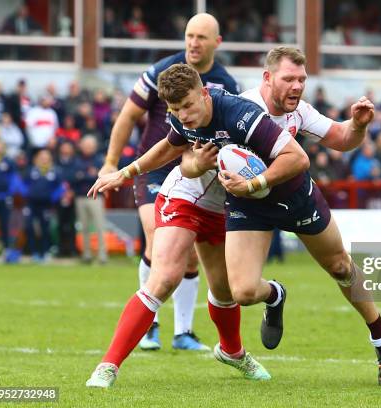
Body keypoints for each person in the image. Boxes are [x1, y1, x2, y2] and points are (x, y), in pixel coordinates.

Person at [84, 62, 305, 387]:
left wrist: (257, 185)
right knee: (165, 278)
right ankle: (108, 366)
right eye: (175, 109)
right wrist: (125, 172)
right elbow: (170, 147)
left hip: (224, 207)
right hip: (183, 198)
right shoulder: (181, 117)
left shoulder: (241, 115)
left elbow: (292, 158)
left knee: (225, 291)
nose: (183, 114)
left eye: (187, 105)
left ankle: (233, 351)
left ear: (204, 93)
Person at [236, 47, 381, 383]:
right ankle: (275, 295)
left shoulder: (300, 112)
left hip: (296, 196)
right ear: (267, 78)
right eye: (288, 79)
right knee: (244, 292)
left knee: (340, 266)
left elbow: (341, 138)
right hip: (250, 202)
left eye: (301, 80)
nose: (297, 86)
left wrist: (358, 125)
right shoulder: (241, 109)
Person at [98, 13, 239, 351]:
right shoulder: (162, 71)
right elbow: (129, 115)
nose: (193, 42)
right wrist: (110, 163)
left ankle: (183, 333)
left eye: (202, 37)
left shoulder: (226, 84)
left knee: (190, 258)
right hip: (155, 167)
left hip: (198, 174)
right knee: (155, 241)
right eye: (190, 35)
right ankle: (150, 327)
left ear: (216, 43)